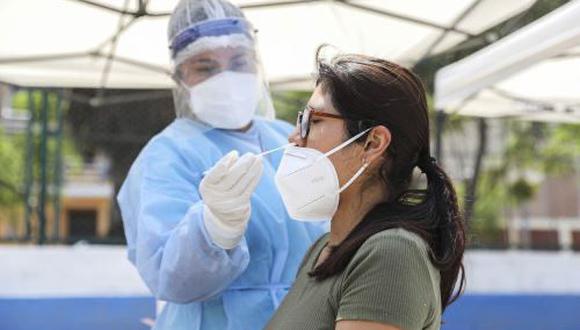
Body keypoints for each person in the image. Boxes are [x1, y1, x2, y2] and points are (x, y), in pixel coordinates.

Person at [116, 1, 326, 329]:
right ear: (179, 76)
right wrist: (214, 229)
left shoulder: (287, 137)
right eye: (205, 67)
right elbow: (171, 280)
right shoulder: (167, 154)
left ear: (256, 63)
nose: (227, 77)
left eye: (239, 61)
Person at [267, 51, 466, 330]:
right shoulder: (322, 249)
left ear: (373, 143)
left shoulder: (392, 252)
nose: (294, 137)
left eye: (313, 121)